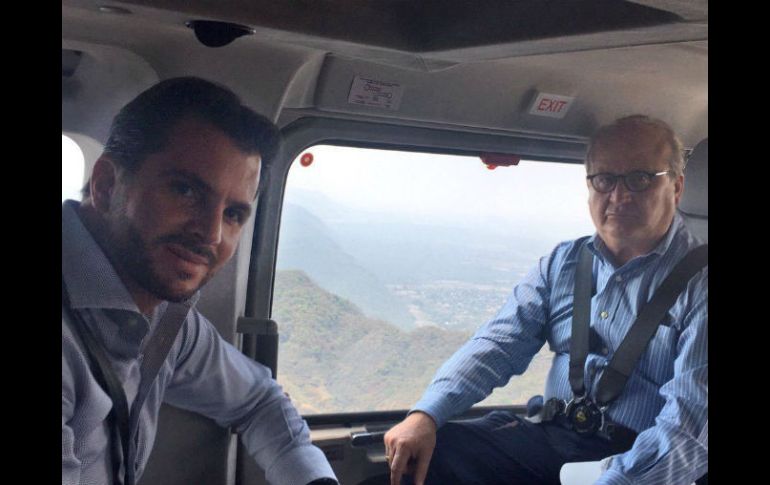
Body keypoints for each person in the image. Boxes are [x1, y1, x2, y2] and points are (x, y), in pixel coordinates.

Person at [383, 115, 708, 485]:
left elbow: (691, 426)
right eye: (604, 180)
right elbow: (498, 345)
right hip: (551, 440)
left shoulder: (701, 284)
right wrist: (425, 414)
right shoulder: (563, 263)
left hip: (641, 458)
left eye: (639, 179)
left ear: (677, 188)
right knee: (429, 457)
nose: (619, 196)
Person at [62, 77, 338, 485]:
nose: (211, 234)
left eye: (234, 215)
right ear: (106, 185)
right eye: (186, 190)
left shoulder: (164, 320)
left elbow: (259, 400)